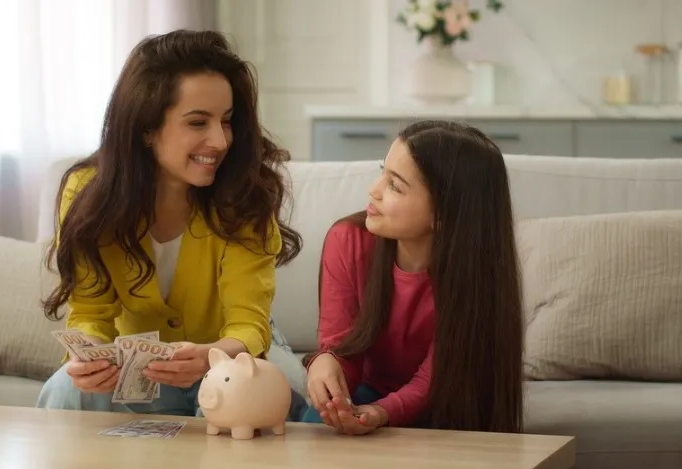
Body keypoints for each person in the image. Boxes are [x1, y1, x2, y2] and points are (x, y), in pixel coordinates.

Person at [36, 29, 307, 418]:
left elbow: (248, 324)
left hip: (235, 357)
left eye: (227, 121)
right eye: (198, 123)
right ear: (146, 128)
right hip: (143, 372)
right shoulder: (87, 192)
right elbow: (90, 313)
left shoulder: (245, 193)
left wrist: (212, 356)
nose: (220, 140)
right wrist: (90, 360)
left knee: (252, 394)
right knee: (65, 388)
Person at [299, 120, 524, 435]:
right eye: (382, 172)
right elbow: (342, 345)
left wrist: (381, 413)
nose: (373, 190)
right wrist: (326, 365)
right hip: (368, 396)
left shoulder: (474, 276)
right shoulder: (347, 239)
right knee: (311, 433)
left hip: (451, 406)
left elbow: (436, 379)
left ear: (443, 213)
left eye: (395, 185)